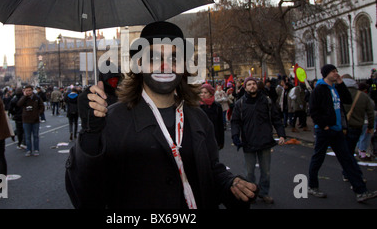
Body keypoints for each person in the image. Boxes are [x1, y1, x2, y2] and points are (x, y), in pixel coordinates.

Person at [65, 21, 257, 209]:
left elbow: (210, 171)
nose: (165, 66)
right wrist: (90, 136)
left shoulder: (199, 119)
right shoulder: (113, 120)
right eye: (154, 58)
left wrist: (230, 184)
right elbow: (86, 196)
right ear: (139, 64)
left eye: (174, 59)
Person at [308, 64, 377, 202]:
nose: (336, 73)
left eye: (336, 71)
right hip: (324, 131)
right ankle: (312, 186)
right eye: (333, 72)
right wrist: (324, 126)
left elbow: (347, 99)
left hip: (338, 130)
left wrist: (340, 83)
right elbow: (313, 110)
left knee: (347, 159)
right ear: (326, 73)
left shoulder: (335, 88)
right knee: (318, 158)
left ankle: (361, 191)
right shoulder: (320, 89)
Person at [230, 76, 285, 204]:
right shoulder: (240, 103)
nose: (252, 86)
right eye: (248, 84)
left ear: (257, 85)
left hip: (265, 141)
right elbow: (235, 122)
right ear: (245, 87)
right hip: (248, 142)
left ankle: (264, 193)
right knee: (249, 173)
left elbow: (276, 118)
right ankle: (251, 193)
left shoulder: (266, 101)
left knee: (265, 171)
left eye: (253, 84)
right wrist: (235, 136)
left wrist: (281, 134)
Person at [341, 75, 374, 167]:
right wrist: (371, 126)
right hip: (356, 126)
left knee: (345, 151)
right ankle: (351, 172)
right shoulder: (363, 96)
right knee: (350, 150)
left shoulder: (337, 94)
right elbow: (371, 112)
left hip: (341, 127)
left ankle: (348, 172)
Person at [17, 85, 44, 156]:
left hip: (35, 119)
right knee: (27, 136)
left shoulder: (37, 97)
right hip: (26, 120)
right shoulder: (24, 98)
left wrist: (38, 113)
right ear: (24, 91)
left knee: (35, 136)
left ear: (32, 90)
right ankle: (28, 150)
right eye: (27, 91)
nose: (28, 92)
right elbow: (19, 104)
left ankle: (36, 149)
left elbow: (42, 106)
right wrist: (25, 96)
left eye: (29, 90)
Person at [200, 83, 225, 149]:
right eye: (201, 92)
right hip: (201, 140)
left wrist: (221, 141)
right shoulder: (197, 106)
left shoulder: (217, 106)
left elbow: (220, 125)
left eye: (205, 92)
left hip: (214, 138)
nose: (203, 94)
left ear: (211, 94)